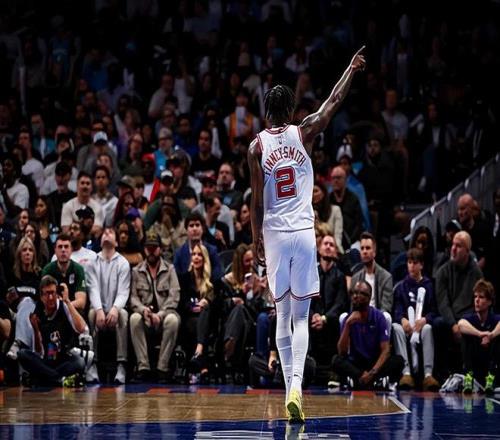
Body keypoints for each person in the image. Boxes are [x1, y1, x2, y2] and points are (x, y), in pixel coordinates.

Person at [248, 46, 366, 423]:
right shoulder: (305, 131)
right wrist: (350, 68)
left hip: (274, 234)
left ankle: (289, 389)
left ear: (267, 112)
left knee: (281, 314)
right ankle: (296, 386)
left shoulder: (256, 147)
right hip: (302, 231)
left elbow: (255, 202)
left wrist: (254, 241)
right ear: (291, 110)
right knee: (302, 316)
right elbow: (333, 101)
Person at [332, 281, 404, 390]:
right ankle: (373, 381)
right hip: (356, 363)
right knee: (336, 361)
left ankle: (359, 381)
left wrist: (372, 373)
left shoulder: (379, 317)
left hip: (375, 362)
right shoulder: (348, 319)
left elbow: (385, 350)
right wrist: (347, 325)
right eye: (354, 293)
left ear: (369, 297)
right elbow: (342, 351)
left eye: (360, 293)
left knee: (398, 361)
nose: (356, 296)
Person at [129, 231, 181, 383]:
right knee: (134, 318)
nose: (151, 251)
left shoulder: (170, 269)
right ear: (144, 249)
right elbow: (133, 298)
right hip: (145, 318)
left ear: (160, 249)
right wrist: (143, 310)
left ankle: (162, 368)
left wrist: (161, 314)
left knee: (173, 320)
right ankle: (143, 367)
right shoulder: (136, 271)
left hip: (165, 316)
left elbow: (174, 296)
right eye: (148, 248)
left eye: (154, 248)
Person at [17, 276, 87, 387]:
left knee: (80, 362)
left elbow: (82, 328)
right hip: (46, 362)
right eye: (47, 294)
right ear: (41, 297)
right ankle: (59, 379)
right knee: (22, 354)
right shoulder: (37, 313)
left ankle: (42, 379)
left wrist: (67, 301)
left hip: (62, 360)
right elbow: (39, 352)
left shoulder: (64, 307)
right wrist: (35, 329)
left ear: (57, 293)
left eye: (53, 293)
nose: (50, 297)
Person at [85, 228, 130, 384]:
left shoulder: (123, 263)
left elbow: (123, 292)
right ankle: (92, 363)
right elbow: (92, 289)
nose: (106, 234)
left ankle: (121, 364)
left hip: (116, 308)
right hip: (98, 308)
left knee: (123, 315)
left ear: (116, 242)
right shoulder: (92, 262)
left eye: (111, 233)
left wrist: (115, 309)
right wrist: (99, 310)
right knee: (91, 314)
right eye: (104, 233)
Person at [392, 248, 440, 391]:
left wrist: (425, 319)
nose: (412, 266)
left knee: (428, 328)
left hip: (421, 325)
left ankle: (428, 374)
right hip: (407, 325)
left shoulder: (429, 285)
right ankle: (406, 373)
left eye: (415, 263)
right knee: (396, 328)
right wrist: (403, 320)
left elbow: (434, 310)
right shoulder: (401, 286)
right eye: (409, 262)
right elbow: (397, 310)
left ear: (421, 265)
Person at [458, 279, 500, 395]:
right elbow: (460, 324)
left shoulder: (494, 318)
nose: (477, 300)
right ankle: (468, 378)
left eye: (481, 297)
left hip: (489, 362)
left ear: (489, 302)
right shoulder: (470, 318)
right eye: (475, 297)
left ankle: (491, 378)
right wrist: (479, 333)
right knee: (466, 335)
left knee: (498, 337)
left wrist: (491, 335)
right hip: (474, 361)